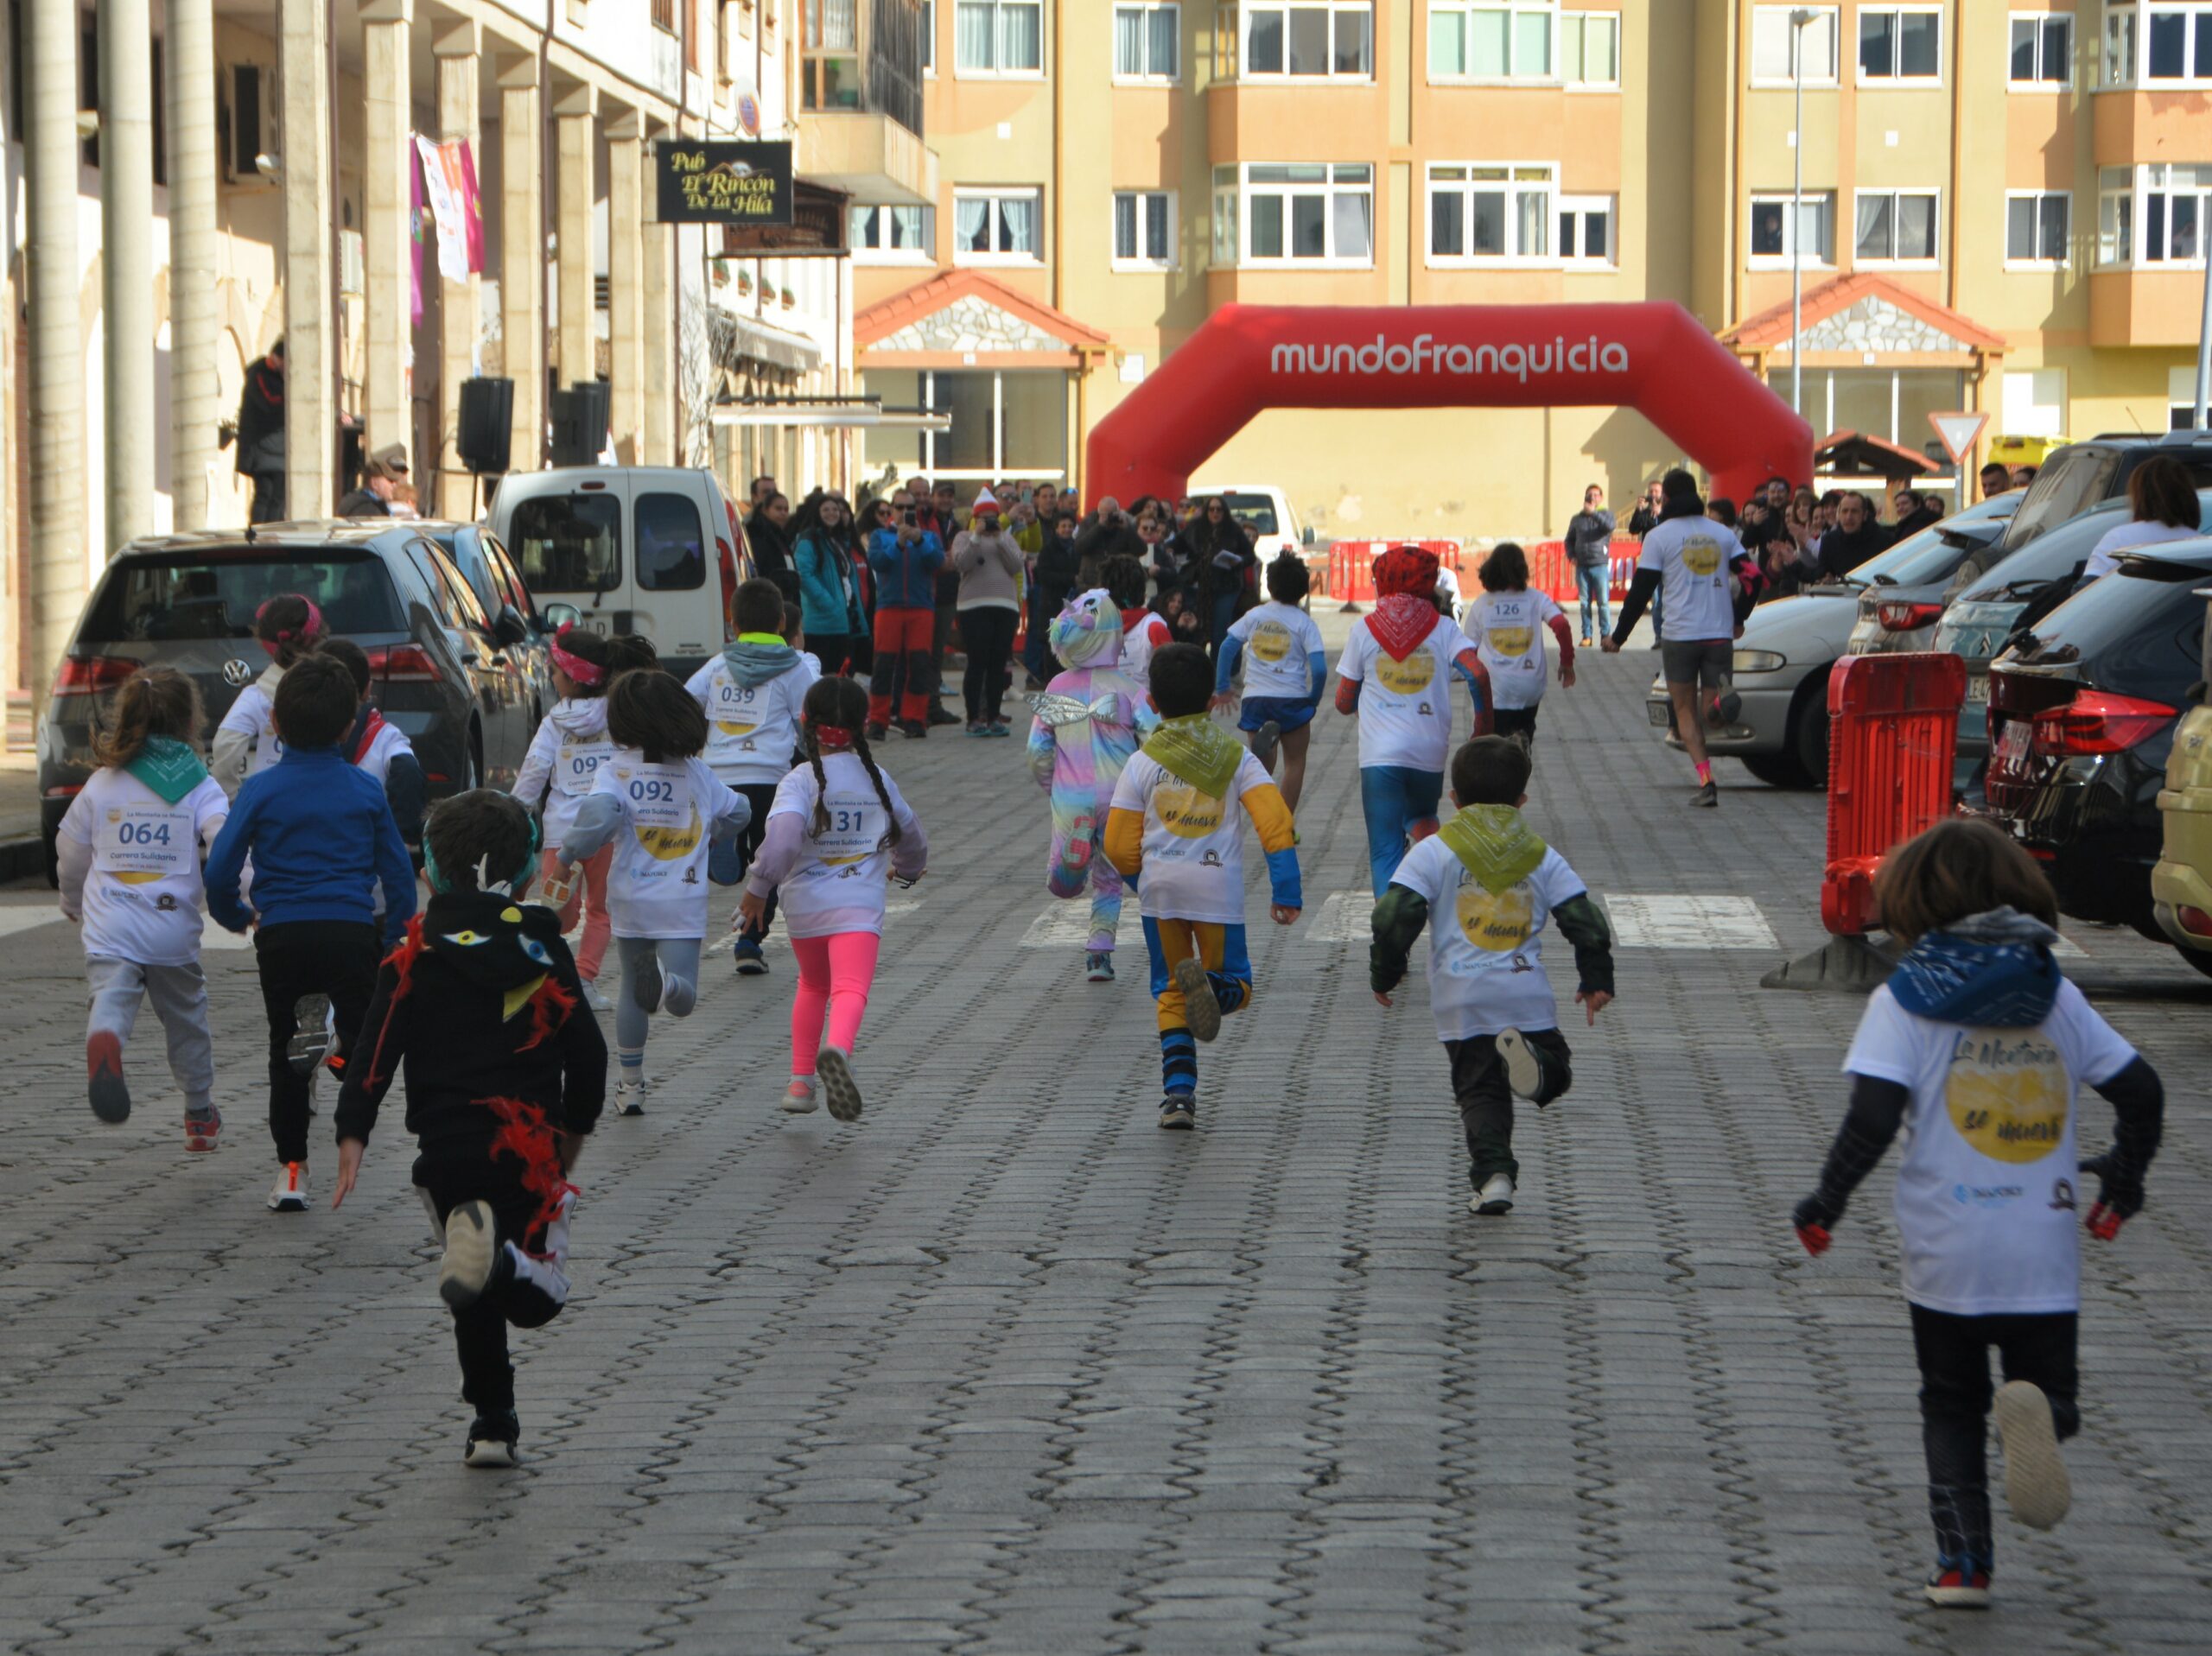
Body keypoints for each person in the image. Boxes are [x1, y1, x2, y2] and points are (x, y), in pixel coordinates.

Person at [1789, 819, 2164, 1609]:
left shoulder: (1906, 998)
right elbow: (2142, 1092)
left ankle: (1963, 1562)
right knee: (2039, 1386)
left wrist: (1825, 1204)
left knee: (1950, 1402)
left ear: (1910, 902)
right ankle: (2044, 1415)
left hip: (1947, 1248)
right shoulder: (2055, 992)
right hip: (2044, 1245)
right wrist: (2123, 1182)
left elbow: (1872, 1118)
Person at [333, 790, 607, 1469]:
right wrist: (574, 1133)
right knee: (533, 1292)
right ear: (519, 875)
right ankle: (510, 1260)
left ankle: (492, 1420)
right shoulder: (540, 943)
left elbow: (376, 1045)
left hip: (446, 1153)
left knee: (470, 1284)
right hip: (527, 1150)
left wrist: (352, 1130)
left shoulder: (415, 950)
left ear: (428, 872)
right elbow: (589, 1051)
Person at [204, 652, 417, 1211]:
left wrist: (234, 914)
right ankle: (341, 1043)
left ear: (274, 722)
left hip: (282, 934)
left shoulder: (259, 790)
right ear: (350, 724)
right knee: (361, 1026)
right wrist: (397, 936)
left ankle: (291, 1170)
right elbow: (397, 872)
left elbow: (221, 866)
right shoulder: (365, 791)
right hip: (350, 929)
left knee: (285, 1054)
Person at [1370, 735, 1614, 1216]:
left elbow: (1394, 915)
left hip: (1461, 996)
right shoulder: (1540, 854)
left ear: (1454, 798)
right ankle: (1538, 1069)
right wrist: (1596, 977)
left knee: (1479, 1091)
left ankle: (1494, 1177)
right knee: (1556, 1065)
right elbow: (1584, 920)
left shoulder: (1433, 851)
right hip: (1523, 991)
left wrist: (1387, 970)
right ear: (1521, 800)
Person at [1104, 643, 1300, 1132]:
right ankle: (1212, 987)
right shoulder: (1237, 758)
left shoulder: (1142, 762)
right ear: (1214, 702)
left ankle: (1177, 1097)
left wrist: (1139, 879)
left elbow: (1117, 842)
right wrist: (1286, 889)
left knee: (1171, 992)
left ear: (1152, 701)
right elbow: (1274, 820)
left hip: (1162, 893)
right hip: (1217, 892)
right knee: (1239, 985)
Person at [553, 666, 748, 1114]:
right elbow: (741, 811)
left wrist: (565, 860)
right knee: (682, 1001)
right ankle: (666, 983)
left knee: (630, 994)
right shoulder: (697, 774)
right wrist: (715, 837)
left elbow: (595, 823)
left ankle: (630, 1085)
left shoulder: (615, 773)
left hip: (631, 898)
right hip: (680, 898)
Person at [740, 676, 927, 1122]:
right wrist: (909, 868)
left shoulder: (798, 781)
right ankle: (839, 1049)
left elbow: (782, 840)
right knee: (849, 989)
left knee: (812, 986)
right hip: (858, 909)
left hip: (804, 909)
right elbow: (912, 834)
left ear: (806, 721)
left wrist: (758, 887)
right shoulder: (877, 779)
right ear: (863, 724)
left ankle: (800, 1083)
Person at [58, 668, 230, 1146]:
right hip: (171, 930)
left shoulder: (102, 784)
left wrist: (71, 898)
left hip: (111, 923)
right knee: (186, 1018)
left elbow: (71, 846)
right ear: (189, 721)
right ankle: (199, 1114)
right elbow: (226, 844)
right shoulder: (199, 784)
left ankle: (107, 1033)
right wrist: (248, 900)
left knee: (112, 990)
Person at [1335, 545, 1492, 895]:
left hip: (1379, 755)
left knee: (1384, 849)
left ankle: (1392, 933)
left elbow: (1343, 702)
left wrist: (1361, 700)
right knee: (1421, 817)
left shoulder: (1364, 629)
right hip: (1429, 750)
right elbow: (1478, 673)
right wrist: (1483, 728)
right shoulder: (1444, 628)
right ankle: (1441, 871)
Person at [683, 579, 816, 977]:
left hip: (718, 776)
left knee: (738, 835)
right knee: (771, 861)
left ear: (733, 622)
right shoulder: (793, 667)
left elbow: (686, 702)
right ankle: (748, 943)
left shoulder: (718, 665)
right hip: (770, 778)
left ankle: (726, 845)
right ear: (780, 621)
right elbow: (810, 720)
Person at [1602, 468, 1751, 808]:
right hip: (1718, 634)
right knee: (1708, 712)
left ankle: (1707, 781)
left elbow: (1641, 590)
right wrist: (1739, 616)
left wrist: (1619, 637)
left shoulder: (1660, 536)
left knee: (1684, 711)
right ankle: (1720, 703)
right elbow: (1754, 576)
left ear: (1665, 498)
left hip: (1680, 636)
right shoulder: (1722, 533)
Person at [1027, 590, 1148, 984]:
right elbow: (1153, 737)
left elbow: (1037, 749)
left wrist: (1052, 784)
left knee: (1062, 886)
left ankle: (1068, 867)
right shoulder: (1131, 688)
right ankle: (1099, 954)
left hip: (1071, 795)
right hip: (1119, 795)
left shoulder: (1057, 687)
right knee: (1110, 879)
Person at [513, 625, 620, 1011]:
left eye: (555, 669)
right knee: (601, 911)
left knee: (556, 912)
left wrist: (514, 810)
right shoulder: (618, 716)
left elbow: (534, 771)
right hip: (609, 832)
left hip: (561, 835)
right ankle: (586, 980)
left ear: (573, 676)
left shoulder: (554, 722)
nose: (551, 676)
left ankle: (546, 977)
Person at [319, 638, 429, 923]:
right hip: (371, 899)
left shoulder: (302, 738)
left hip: (311, 900)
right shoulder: (385, 738)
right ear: (368, 688)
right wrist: (402, 838)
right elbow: (408, 772)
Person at [1215, 554, 1327, 811]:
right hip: (1293, 698)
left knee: (1261, 767)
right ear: (1302, 590)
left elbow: (1227, 647)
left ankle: (1264, 818)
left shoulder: (1255, 615)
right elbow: (1320, 670)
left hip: (1256, 698)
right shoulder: (1305, 624)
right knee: (1295, 763)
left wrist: (1222, 686)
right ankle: (1284, 824)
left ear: (1270, 585)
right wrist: (1313, 699)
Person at [1464, 542, 1575, 748]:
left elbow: (1468, 649)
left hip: (1494, 689)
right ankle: (1521, 763)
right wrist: (1566, 662)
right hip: (1529, 687)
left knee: (1491, 747)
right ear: (1522, 569)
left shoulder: (1482, 604)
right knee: (1523, 737)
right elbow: (1561, 625)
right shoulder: (1536, 598)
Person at [212, 594, 326, 796]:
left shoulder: (256, 697)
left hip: (273, 799)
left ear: (264, 642)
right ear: (317, 638)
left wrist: (230, 798)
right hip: (324, 794)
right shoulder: (332, 687)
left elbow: (225, 744)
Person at [866, 492, 946, 739]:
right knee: (883, 665)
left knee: (920, 665)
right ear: (891, 509)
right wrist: (899, 544)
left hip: (920, 608)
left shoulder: (929, 537)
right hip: (889, 607)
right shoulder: (880, 536)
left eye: (909, 507)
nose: (903, 511)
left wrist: (919, 540)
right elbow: (878, 562)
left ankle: (914, 718)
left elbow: (937, 562)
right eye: (899, 506)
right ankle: (878, 719)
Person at [950, 487, 1027, 736]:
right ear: (975, 518)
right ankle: (973, 717)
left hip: (1004, 607)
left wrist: (1000, 537)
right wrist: (977, 536)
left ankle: (993, 716)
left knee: (997, 664)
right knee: (977, 662)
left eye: (992, 516)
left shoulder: (1007, 538)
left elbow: (1016, 565)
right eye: (983, 517)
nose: (989, 521)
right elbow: (961, 562)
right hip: (973, 607)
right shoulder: (963, 537)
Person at [2082, 455, 2202, 580]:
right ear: (2188, 495)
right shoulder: (2201, 546)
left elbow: (2085, 590)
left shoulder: (2119, 539)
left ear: (2140, 496)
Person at [794, 492, 866, 676]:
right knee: (822, 675)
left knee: (839, 674)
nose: (832, 513)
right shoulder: (809, 540)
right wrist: (829, 604)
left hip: (842, 620)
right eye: (826, 509)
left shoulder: (839, 541)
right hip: (820, 623)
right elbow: (804, 575)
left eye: (835, 509)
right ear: (817, 512)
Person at [1025, 510, 1084, 688]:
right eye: (1063, 526)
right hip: (1052, 605)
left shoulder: (1078, 548)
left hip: (1073, 606)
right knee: (1052, 651)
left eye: (1070, 526)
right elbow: (1044, 575)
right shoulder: (1048, 549)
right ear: (1056, 529)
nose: (1067, 529)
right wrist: (1071, 578)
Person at [236, 339, 288, 523]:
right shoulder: (259, 375)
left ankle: (274, 532)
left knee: (279, 498)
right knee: (265, 494)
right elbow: (271, 404)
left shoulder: (279, 378)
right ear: (276, 358)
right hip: (263, 450)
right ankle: (259, 535)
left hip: (278, 449)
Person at [1108, 553, 1173, 696]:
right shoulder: (1155, 627)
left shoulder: (1100, 632)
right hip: (1147, 714)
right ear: (1143, 593)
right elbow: (1173, 677)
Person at [1564, 483, 1615, 645]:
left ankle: (1606, 635)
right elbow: (1569, 540)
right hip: (1582, 565)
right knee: (1585, 603)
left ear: (1601, 498)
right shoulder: (1577, 518)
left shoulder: (1606, 515)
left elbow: (1609, 527)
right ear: (1585, 497)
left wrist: (1594, 513)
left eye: (1596, 495)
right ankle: (1587, 636)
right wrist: (1571, 555)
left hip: (1599, 564)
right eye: (1589, 495)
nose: (1592, 497)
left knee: (1603, 602)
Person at [1815, 490, 1894, 581]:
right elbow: (1822, 574)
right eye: (1844, 511)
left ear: (1864, 515)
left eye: (1854, 511)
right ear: (1839, 515)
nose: (1848, 517)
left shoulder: (1885, 541)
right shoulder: (1829, 541)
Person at [747, 491, 799, 602]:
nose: (783, 513)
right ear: (765, 510)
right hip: (768, 600)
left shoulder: (780, 536)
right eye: (778, 509)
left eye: (786, 509)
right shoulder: (758, 535)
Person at [336, 444, 410, 517]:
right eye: (390, 481)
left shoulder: (353, 500)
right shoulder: (369, 509)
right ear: (374, 483)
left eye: (395, 481)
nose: (394, 485)